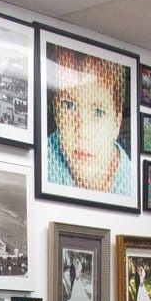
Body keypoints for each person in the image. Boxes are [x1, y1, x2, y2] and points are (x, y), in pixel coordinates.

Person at [45, 45, 131, 196]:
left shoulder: (132, 184)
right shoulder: (44, 162)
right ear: (55, 111)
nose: (82, 131)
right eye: (69, 106)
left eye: (98, 112)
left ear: (116, 124)